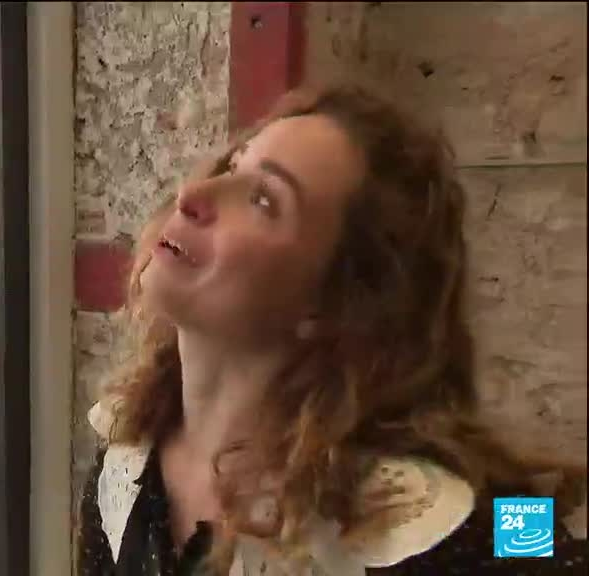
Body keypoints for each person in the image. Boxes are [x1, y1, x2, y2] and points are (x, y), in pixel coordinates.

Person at [78, 84, 587, 575]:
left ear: (333, 303)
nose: (191, 193)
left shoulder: (441, 518)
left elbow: (548, 546)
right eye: (233, 166)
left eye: (263, 200)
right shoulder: (125, 465)